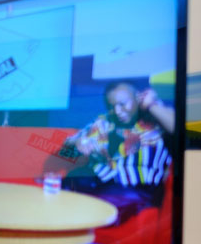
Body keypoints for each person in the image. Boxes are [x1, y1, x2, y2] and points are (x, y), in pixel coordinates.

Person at [60, 81, 174, 211]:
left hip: (137, 189)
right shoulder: (103, 122)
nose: (117, 111)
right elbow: (65, 151)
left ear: (138, 97)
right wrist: (77, 143)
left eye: (123, 104)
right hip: (99, 182)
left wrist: (150, 105)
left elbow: (182, 129)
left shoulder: (156, 119)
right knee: (68, 183)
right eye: (111, 106)